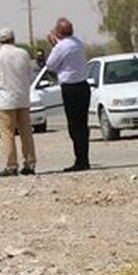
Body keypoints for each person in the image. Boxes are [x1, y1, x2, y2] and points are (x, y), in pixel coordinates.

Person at [0, 27, 36, 177]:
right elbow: (31, 76)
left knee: (8, 134)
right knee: (26, 132)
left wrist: (0, 84)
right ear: (14, 39)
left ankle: (11, 166)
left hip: (5, 101)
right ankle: (30, 164)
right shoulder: (23, 54)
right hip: (23, 99)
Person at [45, 17, 90, 172]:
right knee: (83, 125)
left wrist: (53, 45)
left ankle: (80, 160)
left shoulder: (61, 47)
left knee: (74, 125)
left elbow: (50, 65)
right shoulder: (78, 43)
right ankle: (84, 158)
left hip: (71, 88)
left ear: (58, 32)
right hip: (83, 86)